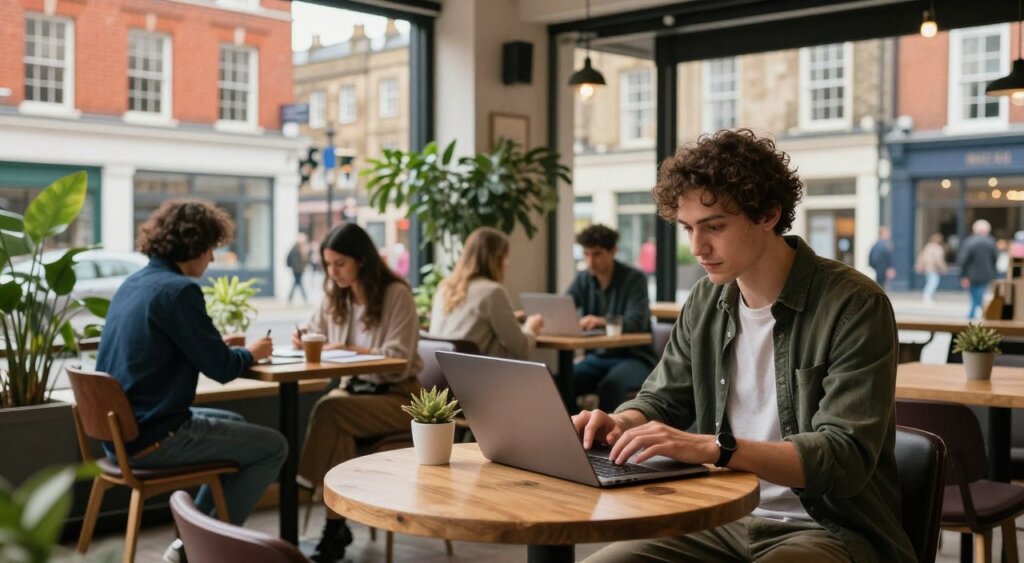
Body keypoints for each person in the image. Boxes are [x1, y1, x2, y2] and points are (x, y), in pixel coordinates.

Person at [574, 129, 914, 563]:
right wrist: (621, 424)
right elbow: (662, 398)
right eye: (688, 229)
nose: (697, 247)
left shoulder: (855, 305)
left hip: (828, 528)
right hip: (717, 517)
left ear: (768, 215)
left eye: (714, 227)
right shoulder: (705, 300)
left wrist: (717, 448)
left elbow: (843, 457)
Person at [96, 200, 285, 562]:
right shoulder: (179, 291)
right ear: (195, 246)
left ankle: (189, 545)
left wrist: (218, 347)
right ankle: (212, 550)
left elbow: (177, 348)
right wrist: (253, 353)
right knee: (273, 446)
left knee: (238, 427)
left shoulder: (134, 284)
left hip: (121, 434)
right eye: (212, 249)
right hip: (156, 435)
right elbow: (223, 370)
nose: (213, 259)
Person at [293, 223, 423, 563]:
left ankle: (307, 494)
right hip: (355, 394)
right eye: (328, 264)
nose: (332, 272)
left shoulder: (397, 295)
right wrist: (303, 336)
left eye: (340, 264)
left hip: (398, 397)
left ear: (361, 261)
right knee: (336, 421)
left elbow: (397, 362)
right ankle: (335, 527)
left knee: (329, 410)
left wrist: (345, 348)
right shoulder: (336, 297)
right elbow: (314, 330)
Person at [567, 224, 657, 413]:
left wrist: (600, 321)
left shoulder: (634, 279)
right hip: (598, 356)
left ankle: (606, 441)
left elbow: (637, 322)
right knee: (564, 380)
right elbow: (563, 307)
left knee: (611, 385)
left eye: (597, 254)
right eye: (586, 254)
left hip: (634, 357)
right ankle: (574, 434)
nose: (590, 261)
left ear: (613, 251)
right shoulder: (584, 279)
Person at [428, 227, 543, 358]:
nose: (507, 264)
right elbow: (521, 349)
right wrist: (530, 328)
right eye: (505, 257)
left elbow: (468, 327)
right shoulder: (493, 292)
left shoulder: (445, 288)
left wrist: (510, 319)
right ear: (496, 259)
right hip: (474, 374)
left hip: (438, 373)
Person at [958, 219, 999, 320]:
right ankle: (978, 314)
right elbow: (995, 259)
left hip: (972, 275)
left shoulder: (969, 242)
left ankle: (973, 315)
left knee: (976, 296)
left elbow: (963, 260)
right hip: (986, 275)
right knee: (978, 295)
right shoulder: (991, 241)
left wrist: (963, 276)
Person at [915, 233, 948, 304]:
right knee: (933, 283)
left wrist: (920, 266)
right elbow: (938, 260)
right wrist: (943, 268)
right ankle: (927, 297)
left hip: (927, 268)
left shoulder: (927, 247)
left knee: (930, 282)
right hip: (933, 268)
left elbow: (922, 257)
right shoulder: (937, 248)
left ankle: (927, 296)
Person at [286, 232, 311, 304]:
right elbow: (292, 260)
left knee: (297, 283)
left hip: (299, 269)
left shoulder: (301, 249)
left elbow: (305, 260)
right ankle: (304, 298)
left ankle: (290, 298)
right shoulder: (295, 249)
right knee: (298, 283)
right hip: (297, 270)